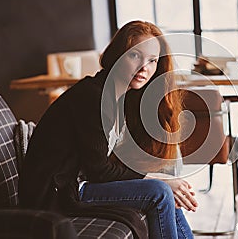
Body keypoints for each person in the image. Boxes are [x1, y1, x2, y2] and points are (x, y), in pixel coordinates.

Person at [19, 20, 198, 239]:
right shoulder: (92, 96)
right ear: (117, 55)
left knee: (165, 189)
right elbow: (99, 171)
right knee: (160, 191)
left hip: (78, 183)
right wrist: (159, 180)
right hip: (57, 194)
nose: (144, 67)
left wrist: (160, 178)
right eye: (134, 55)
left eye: (152, 60)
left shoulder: (119, 96)